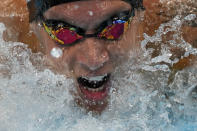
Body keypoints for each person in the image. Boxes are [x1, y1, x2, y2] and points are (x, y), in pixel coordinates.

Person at [26, 0, 145, 113]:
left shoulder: (162, 36)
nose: (94, 61)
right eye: (64, 33)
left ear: (139, 16)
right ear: (36, 27)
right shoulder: (11, 37)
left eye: (114, 28)